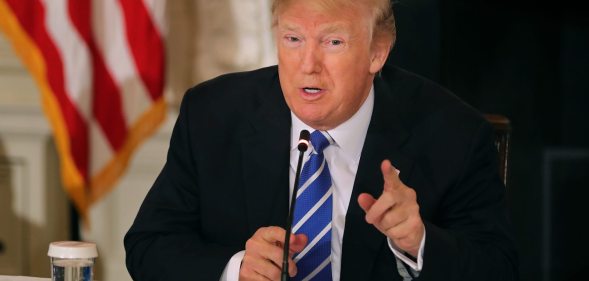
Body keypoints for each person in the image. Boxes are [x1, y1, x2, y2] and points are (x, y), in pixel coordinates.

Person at [124, 0, 518, 280]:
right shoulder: (213, 115)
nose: (307, 64)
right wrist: (235, 269)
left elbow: (498, 267)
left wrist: (419, 243)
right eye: (293, 39)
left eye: (333, 42)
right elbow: (148, 245)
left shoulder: (453, 134)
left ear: (376, 52)